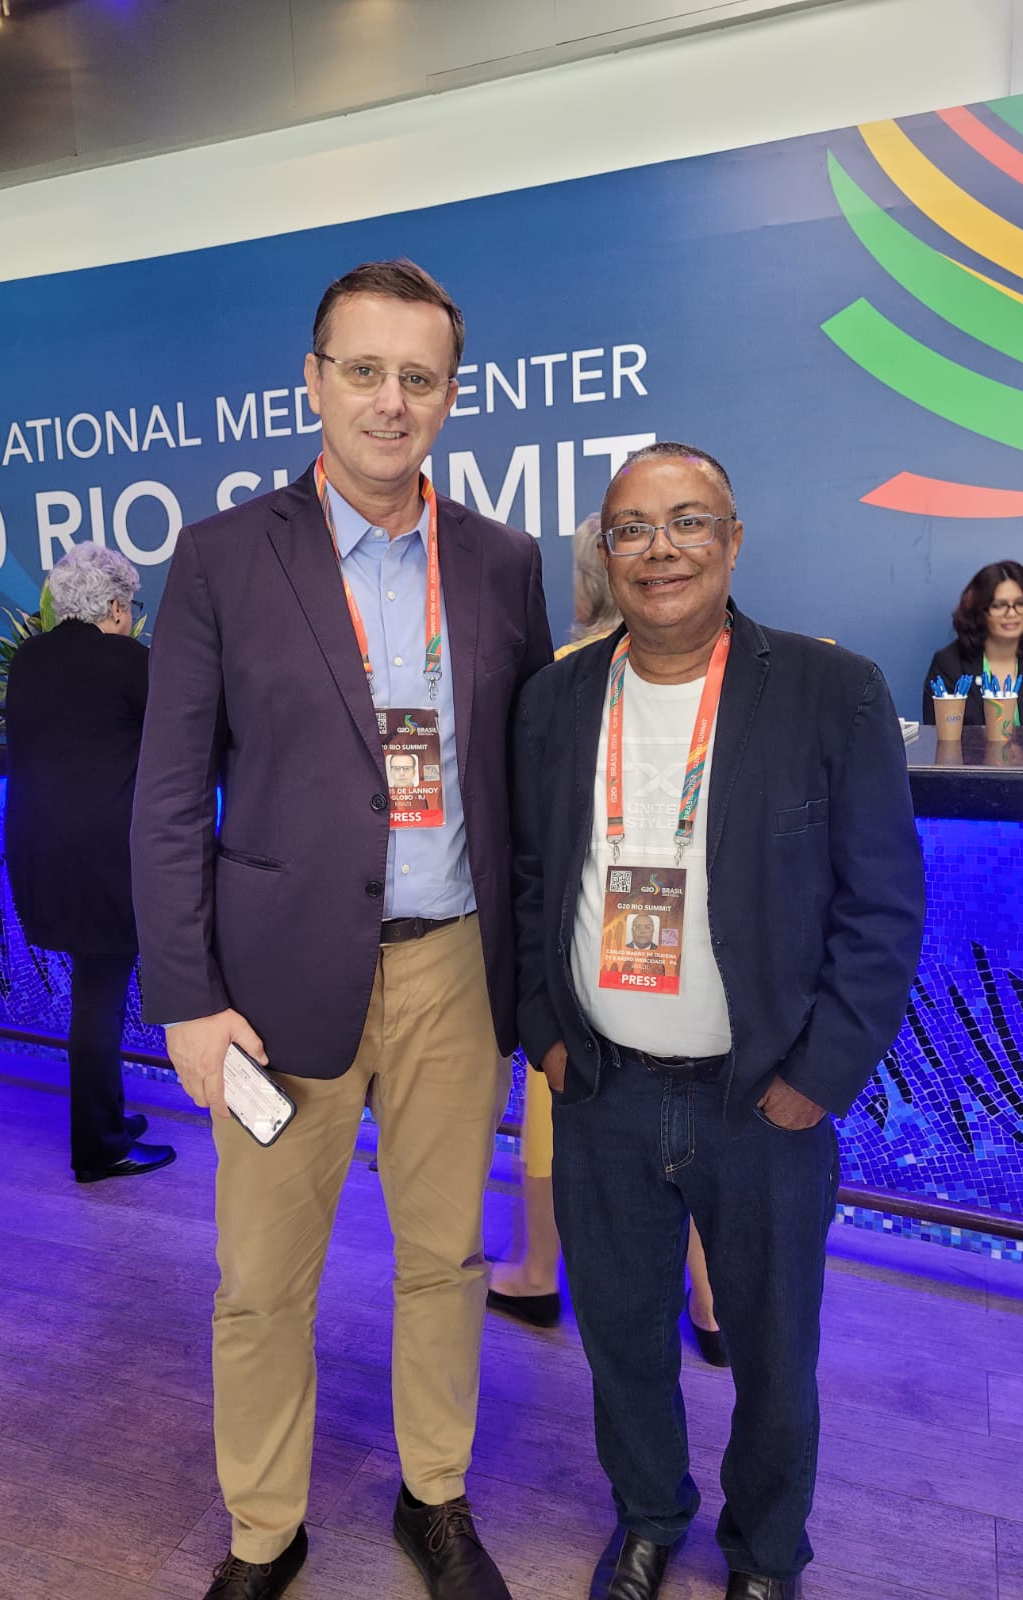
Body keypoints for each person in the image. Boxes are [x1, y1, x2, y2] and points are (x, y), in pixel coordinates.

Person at [130, 258, 552, 1600]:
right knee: (261, 1280)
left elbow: (526, 788)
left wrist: (540, 985)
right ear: (313, 380)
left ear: (450, 395)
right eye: (363, 371)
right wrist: (186, 998)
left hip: (455, 972)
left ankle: (437, 1496)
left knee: (447, 1257)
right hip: (270, 989)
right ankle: (266, 1530)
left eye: (417, 377)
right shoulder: (221, 555)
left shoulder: (503, 563)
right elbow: (166, 795)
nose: (389, 401)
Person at [511, 442, 925, 1600]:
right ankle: (649, 1516)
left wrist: (818, 1077)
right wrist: (547, 1034)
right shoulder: (554, 698)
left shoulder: (829, 690)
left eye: (689, 521)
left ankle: (766, 1552)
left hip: (763, 1100)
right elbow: (531, 882)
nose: (661, 549)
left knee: (776, 1357)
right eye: (633, 528)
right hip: (602, 1089)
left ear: (733, 542)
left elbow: (883, 904)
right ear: (605, 552)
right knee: (622, 1340)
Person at [488, 515, 728, 1361]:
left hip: (585, 968)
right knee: (695, 1132)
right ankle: (710, 1300)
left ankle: (536, 1269)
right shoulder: (711, 674)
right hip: (676, 968)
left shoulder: (556, 679)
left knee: (557, 1121)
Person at [4, 544, 175, 1184]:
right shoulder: (127, 661)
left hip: (40, 848)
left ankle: (107, 1120)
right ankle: (101, 1147)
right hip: (107, 858)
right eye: (130, 605)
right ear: (116, 606)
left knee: (93, 987)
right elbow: (184, 738)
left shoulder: (29, 659)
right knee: (100, 999)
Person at [922, 559, 1023, 726]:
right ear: (979, 610)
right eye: (998, 605)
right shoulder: (949, 664)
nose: (1011, 613)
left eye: (1020, 603)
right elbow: (939, 733)